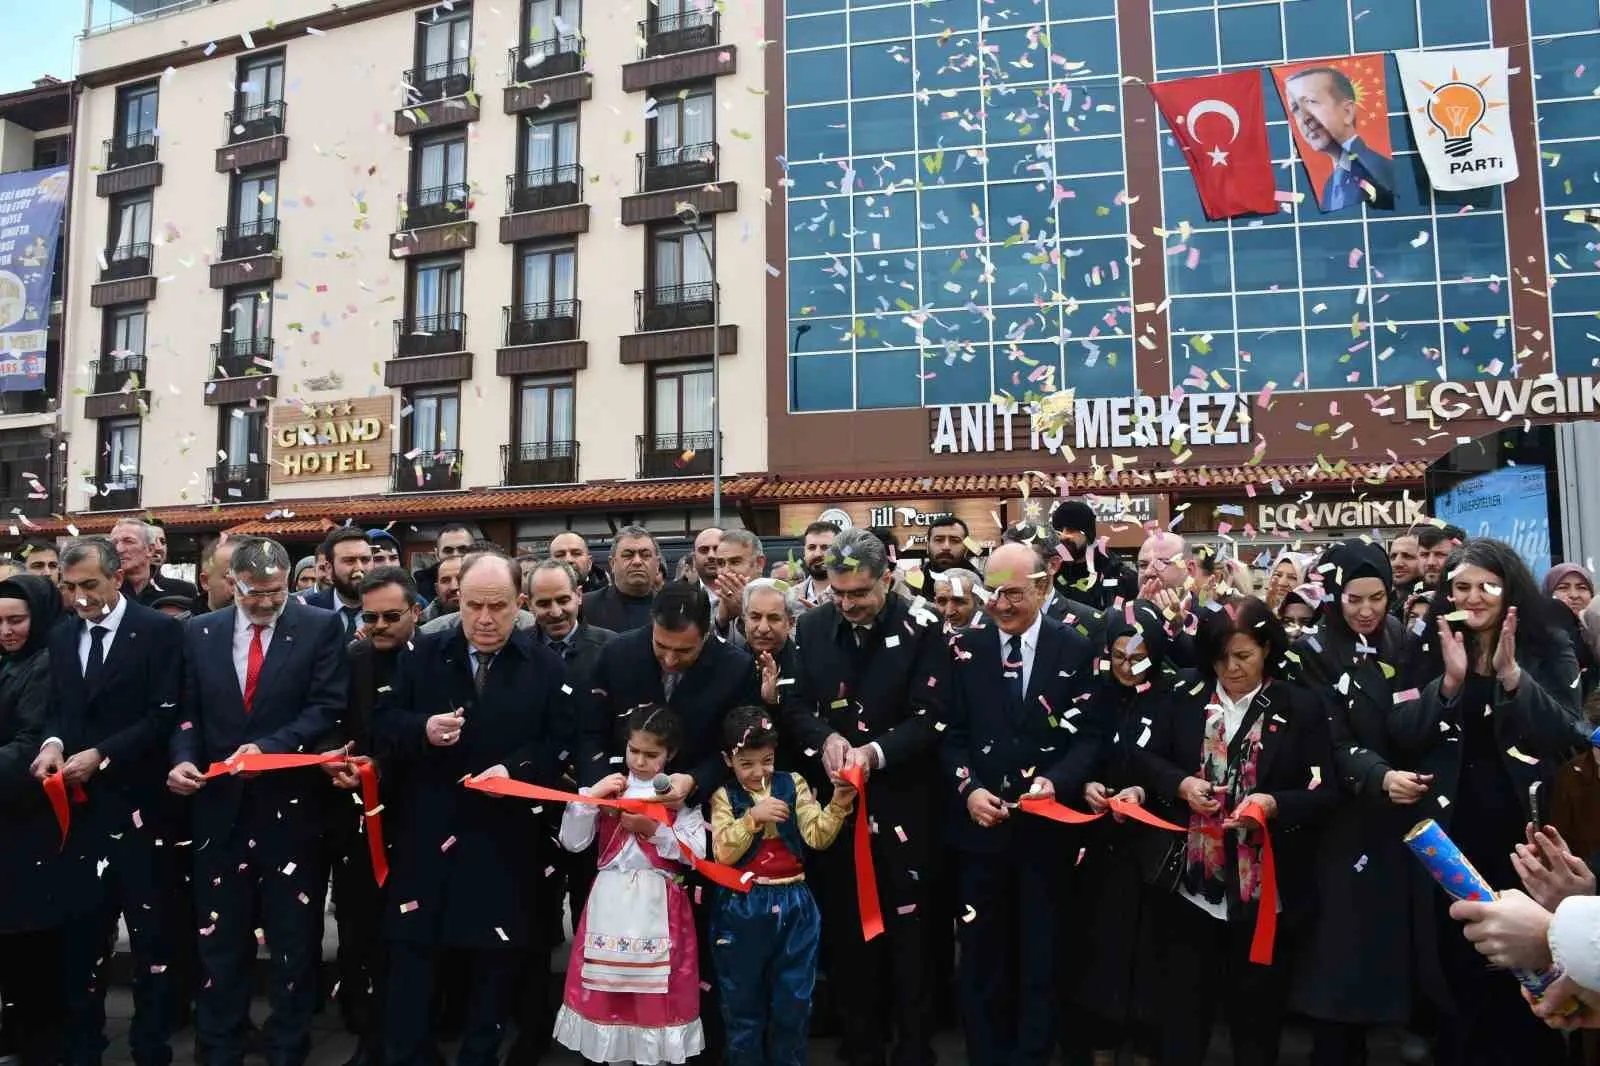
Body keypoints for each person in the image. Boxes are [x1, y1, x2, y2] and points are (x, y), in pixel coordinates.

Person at [371, 551, 574, 1066]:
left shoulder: (545, 666)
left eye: (498, 607)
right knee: (413, 956)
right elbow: (383, 723)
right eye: (473, 606)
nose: (485, 619)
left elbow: (559, 743)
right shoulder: (422, 654)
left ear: (519, 604)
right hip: (429, 830)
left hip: (505, 836)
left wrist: (516, 770)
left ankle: (480, 1055)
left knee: (495, 963)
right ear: (455, 600)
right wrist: (422, 729)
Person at [1393, 538, 1585, 1066]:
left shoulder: (1547, 640)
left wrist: (1513, 677)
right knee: (1460, 960)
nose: (1474, 598)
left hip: (1523, 833)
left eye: (1488, 587)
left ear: (1508, 589)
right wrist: (1449, 684)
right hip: (1451, 833)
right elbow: (1401, 731)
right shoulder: (1430, 643)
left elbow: (1569, 732)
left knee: (1522, 968)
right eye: (1462, 587)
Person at [166, 536, 349, 1066]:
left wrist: (269, 748)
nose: (266, 603)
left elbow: (326, 707)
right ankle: (219, 1043)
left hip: (290, 807)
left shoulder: (319, 626)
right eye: (254, 593)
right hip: (217, 807)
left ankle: (288, 1043)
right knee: (220, 938)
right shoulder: (199, 631)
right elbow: (186, 711)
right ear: (231, 583)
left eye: (276, 592)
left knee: (293, 937)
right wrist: (182, 759)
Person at [1130, 597, 1336, 1066]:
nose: (1231, 669)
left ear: (1266, 649)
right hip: (1191, 887)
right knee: (1183, 1016)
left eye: (1243, 656)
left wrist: (1271, 804)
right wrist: (1182, 785)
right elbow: (1143, 757)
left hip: (1265, 891)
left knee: (1257, 1020)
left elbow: (1326, 792)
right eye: (1221, 658)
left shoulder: (1299, 706)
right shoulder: (1184, 694)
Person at [779, 526, 947, 1066]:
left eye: (859, 593)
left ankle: (915, 1044)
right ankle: (861, 1043)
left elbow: (934, 716)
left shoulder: (925, 626)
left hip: (906, 805)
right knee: (848, 932)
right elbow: (794, 705)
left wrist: (874, 753)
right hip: (837, 808)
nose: (848, 604)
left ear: (887, 579)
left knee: (911, 934)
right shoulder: (810, 627)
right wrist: (825, 738)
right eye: (839, 593)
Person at [941, 541, 1100, 1066]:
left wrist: (1055, 782)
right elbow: (950, 735)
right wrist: (969, 790)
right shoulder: (963, 649)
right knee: (980, 958)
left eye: (1013, 593)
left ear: (1043, 586)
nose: (1000, 605)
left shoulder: (1075, 648)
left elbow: (1090, 738)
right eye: (993, 592)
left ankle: (1033, 1055)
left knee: (1041, 957)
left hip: (1046, 837)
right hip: (979, 834)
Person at [32, 538, 184, 1066]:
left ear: (118, 578)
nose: (80, 598)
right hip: (80, 813)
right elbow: (58, 708)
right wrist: (52, 745)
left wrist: (102, 754)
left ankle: (151, 1047)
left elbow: (164, 713)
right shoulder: (61, 635)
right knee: (83, 939)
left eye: (90, 585)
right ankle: (84, 1048)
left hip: (142, 806)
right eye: (70, 587)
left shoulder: (159, 631)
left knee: (150, 940)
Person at [1287, 540, 1430, 1066]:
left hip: (1402, 814)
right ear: (1335, 596)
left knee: (1390, 947)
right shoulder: (1311, 652)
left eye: (1377, 598)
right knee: (1339, 952)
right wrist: (1377, 775)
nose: (1367, 610)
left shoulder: (1404, 640)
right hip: (1341, 817)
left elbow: (1419, 710)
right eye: (1354, 599)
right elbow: (1330, 738)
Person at [555, 704, 707, 1063]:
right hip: (610, 902)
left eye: (651, 755)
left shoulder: (677, 796)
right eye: (634, 750)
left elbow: (695, 854)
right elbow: (572, 842)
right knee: (609, 992)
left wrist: (653, 830)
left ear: (670, 754)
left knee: (655, 996)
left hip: (660, 905)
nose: (639, 761)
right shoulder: (610, 788)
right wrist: (590, 799)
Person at [508, 559, 615, 1066]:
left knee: (594, 916)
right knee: (533, 922)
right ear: (527, 604)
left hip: (596, 804)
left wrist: (591, 776)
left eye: (562, 600)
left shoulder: (610, 647)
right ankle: (531, 1028)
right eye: (543, 603)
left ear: (579, 596)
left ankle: (598, 1025)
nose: (554, 611)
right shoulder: (516, 648)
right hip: (535, 806)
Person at [710, 705, 855, 1066]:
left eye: (767, 761)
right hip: (743, 903)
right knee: (742, 1001)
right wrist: (751, 820)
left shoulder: (794, 783)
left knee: (794, 1000)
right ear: (728, 759)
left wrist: (838, 804)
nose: (759, 772)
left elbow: (817, 837)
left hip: (795, 902)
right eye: (746, 764)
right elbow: (722, 853)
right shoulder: (724, 796)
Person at [1072, 601, 1180, 1066]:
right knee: (1101, 949)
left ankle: (1147, 1047)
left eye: (1138, 657)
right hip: (1098, 847)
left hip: (1154, 847)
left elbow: (1180, 761)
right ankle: (1100, 1044)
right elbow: (1076, 750)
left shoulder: (1172, 696)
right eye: (1118, 656)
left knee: (1151, 953)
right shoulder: (1094, 694)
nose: (1127, 667)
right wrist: (1086, 786)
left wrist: (1145, 791)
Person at [320, 566, 421, 1066]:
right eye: (370, 617)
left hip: (418, 818)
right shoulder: (350, 659)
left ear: (416, 612)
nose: (379, 626)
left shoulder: (435, 659)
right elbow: (327, 718)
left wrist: (382, 766)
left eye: (391, 616)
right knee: (360, 929)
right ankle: (367, 1032)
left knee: (413, 937)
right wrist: (335, 759)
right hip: (357, 820)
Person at [0, 574, 67, 1066]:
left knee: (32, 943)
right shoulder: (8, 662)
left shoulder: (47, 664)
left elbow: (32, 743)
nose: (6, 631)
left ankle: (39, 1040)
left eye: (16, 620)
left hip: (30, 823)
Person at [1284, 65, 1396, 211]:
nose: (1304, 119)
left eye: (1311, 102)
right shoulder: (1330, 186)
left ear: (1347, 111)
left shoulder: (1380, 169)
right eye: (1295, 109)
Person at [1050, 499, 1138, 611]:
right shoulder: (1050, 574)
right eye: (1058, 531)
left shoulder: (1118, 575)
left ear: (1088, 535)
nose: (1063, 536)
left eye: (1071, 530)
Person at [582, 526, 665, 634]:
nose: (637, 561)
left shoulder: (672, 607)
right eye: (628, 555)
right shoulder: (586, 606)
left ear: (657, 564)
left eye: (645, 555)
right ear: (612, 563)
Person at [1544, 562, 1599, 706]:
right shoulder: (1538, 636)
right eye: (1563, 588)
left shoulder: (1596, 631)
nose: (1574, 595)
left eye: (1582, 588)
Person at [304, 528, 374, 639]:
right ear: (329, 568)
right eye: (349, 560)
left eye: (365, 560)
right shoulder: (307, 609)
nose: (359, 568)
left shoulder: (390, 608)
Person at [111, 519, 198, 607]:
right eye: (114, 543)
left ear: (150, 549)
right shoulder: (106, 591)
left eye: (129, 541)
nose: (119, 549)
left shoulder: (182, 591)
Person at [711, 530, 766, 644]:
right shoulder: (711, 606)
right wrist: (720, 622)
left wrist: (744, 612)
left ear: (759, 564)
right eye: (721, 563)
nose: (726, 571)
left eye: (735, 562)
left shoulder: (784, 598)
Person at [550, 531, 610, 596]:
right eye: (560, 555)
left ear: (589, 563)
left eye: (576, 553)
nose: (568, 559)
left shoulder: (611, 598)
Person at [794, 521, 838, 607]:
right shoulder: (791, 597)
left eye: (825, 548)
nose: (817, 554)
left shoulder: (854, 594)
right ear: (804, 553)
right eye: (812, 547)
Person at [195, 537, 239, 616]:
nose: (243, 588)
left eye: (251, 579)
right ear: (205, 581)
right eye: (232, 580)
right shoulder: (185, 623)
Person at [1415, 524, 1465, 591]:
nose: (1430, 563)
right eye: (1424, 555)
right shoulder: (1409, 594)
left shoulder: (1473, 595)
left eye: (1440, 555)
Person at [419, 555, 463, 624]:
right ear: (437, 589)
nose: (454, 587)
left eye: (461, 578)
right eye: (445, 581)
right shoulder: (420, 625)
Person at [1389, 533, 1422, 618]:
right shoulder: (1383, 603)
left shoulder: (1430, 605)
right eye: (1393, 556)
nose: (1397, 563)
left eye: (1407, 556)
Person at [689, 527, 724, 592]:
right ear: (694, 558)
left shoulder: (744, 592)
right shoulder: (675, 593)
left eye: (717, 549)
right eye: (704, 550)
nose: (711, 555)